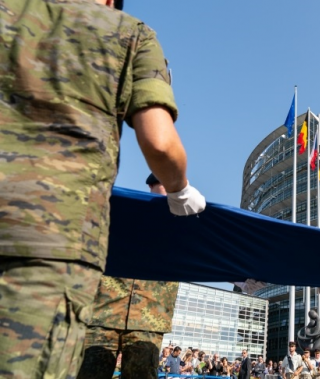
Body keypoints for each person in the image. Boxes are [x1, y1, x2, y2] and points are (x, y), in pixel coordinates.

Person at [0, 0, 207, 377]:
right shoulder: (130, 34)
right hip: (58, 241)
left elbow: (204, 251)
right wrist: (179, 188)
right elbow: (160, 141)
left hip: (145, 316)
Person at [78, 174, 181, 379]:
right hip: (103, 312)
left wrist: (238, 278)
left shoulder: (183, 224)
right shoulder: (120, 212)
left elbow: (205, 253)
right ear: (152, 185)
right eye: (163, 185)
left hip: (148, 318)